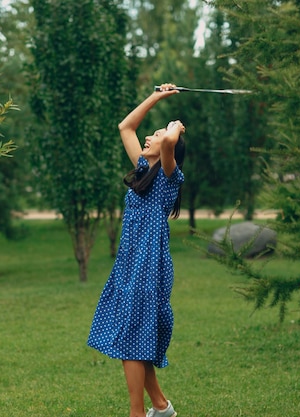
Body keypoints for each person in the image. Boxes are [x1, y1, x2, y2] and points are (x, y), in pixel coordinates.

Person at [87, 83, 186, 417]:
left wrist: (173, 127)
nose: (148, 137)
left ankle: (137, 413)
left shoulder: (169, 178)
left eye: (153, 135)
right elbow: (125, 127)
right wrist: (158, 96)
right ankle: (160, 406)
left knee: (132, 336)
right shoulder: (145, 171)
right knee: (135, 335)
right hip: (130, 265)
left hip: (149, 268)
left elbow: (171, 142)